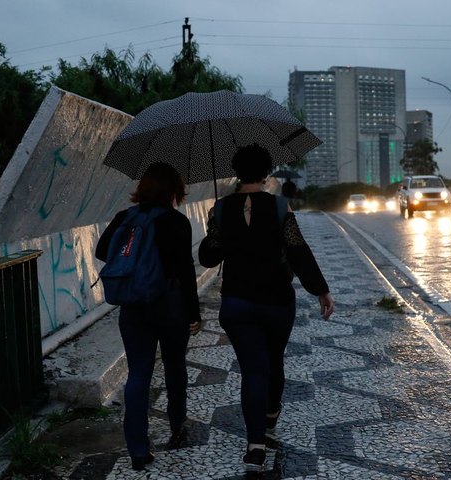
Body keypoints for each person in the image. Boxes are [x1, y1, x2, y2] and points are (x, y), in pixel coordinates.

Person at [198, 144, 335, 472]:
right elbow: (298, 251)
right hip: (275, 301)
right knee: (273, 363)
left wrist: (214, 230)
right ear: (265, 172)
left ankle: (255, 446)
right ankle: (271, 414)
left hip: (236, 303)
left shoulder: (220, 208)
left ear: (237, 171)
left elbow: (208, 258)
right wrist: (321, 290)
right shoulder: (279, 207)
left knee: (252, 371)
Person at [95, 162, 202, 471]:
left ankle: (138, 450)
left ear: (142, 189)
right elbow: (185, 272)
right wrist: (193, 313)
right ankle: (177, 423)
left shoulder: (124, 218)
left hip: (133, 307)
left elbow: (104, 251)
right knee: (174, 365)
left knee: (138, 374)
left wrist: (135, 258)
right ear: (174, 191)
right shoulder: (176, 222)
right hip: (169, 305)